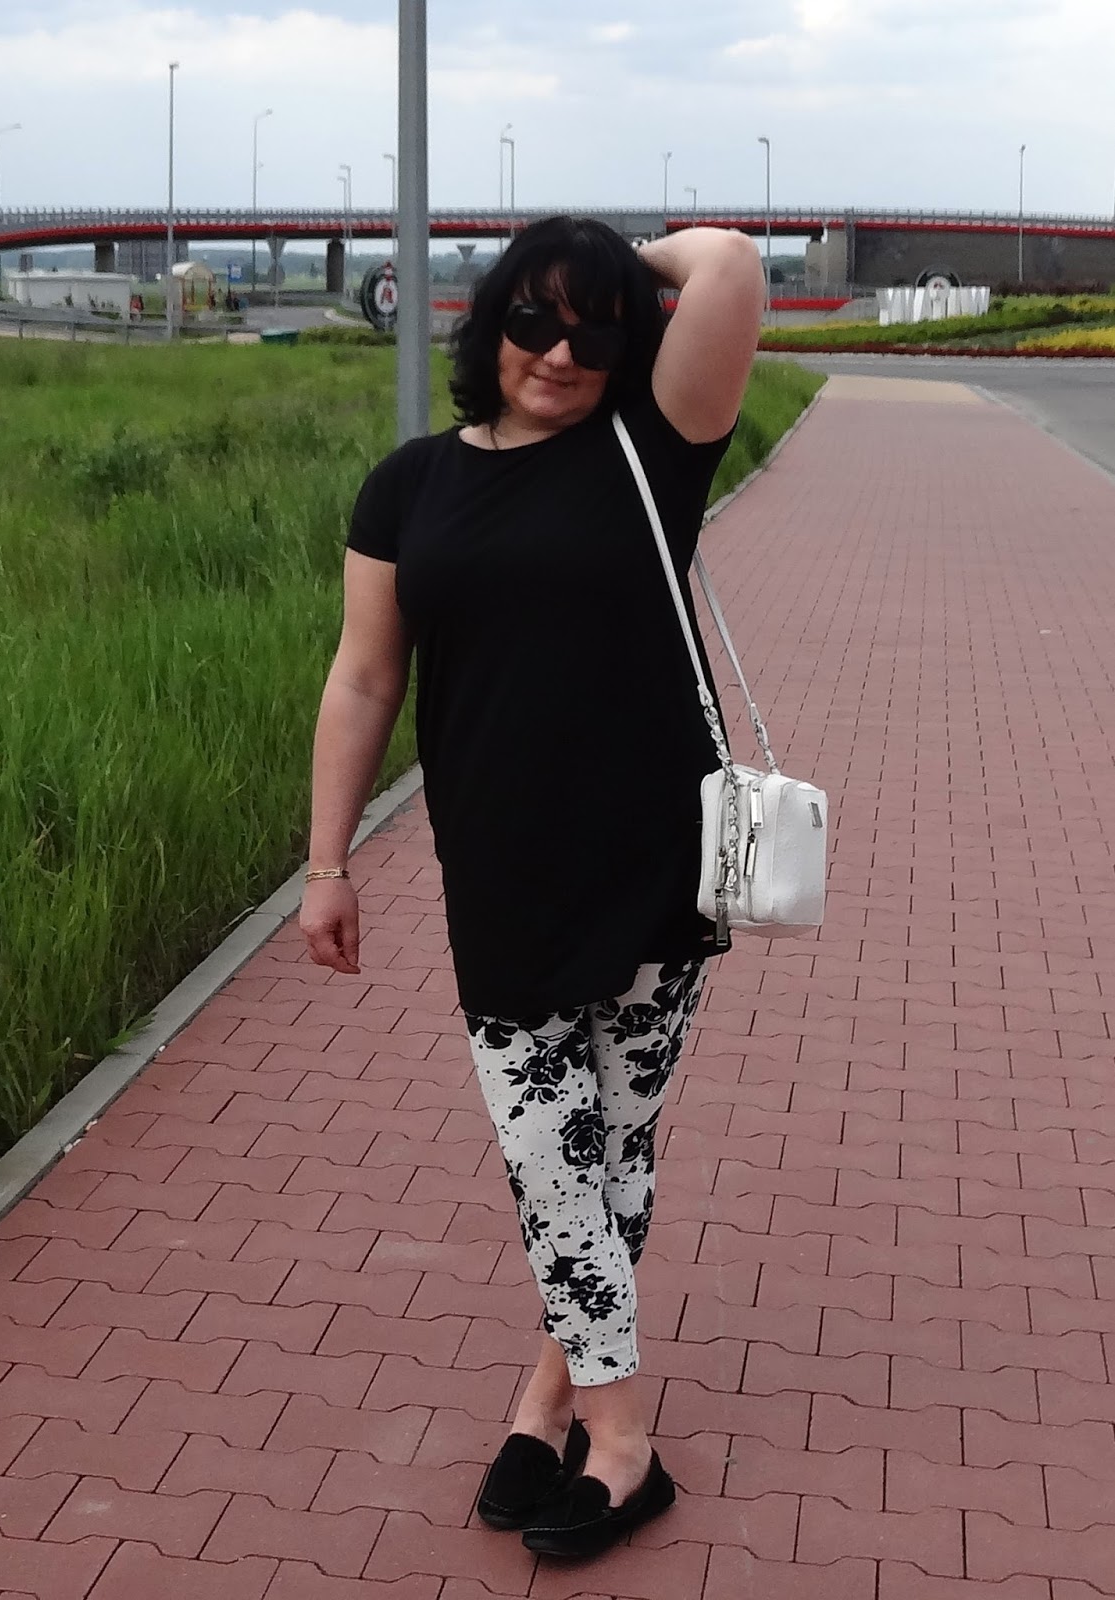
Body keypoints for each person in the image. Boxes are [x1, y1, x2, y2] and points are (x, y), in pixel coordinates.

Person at [301, 215, 765, 1558]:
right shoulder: (409, 486)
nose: (560, 352)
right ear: (486, 320)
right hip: (500, 874)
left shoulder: (653, 446)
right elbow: (364, 678)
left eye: (594, 328)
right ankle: (620, 1443)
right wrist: (327, 862)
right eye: (532, 319)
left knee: (609, 1149)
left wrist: (601, 253)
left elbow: (729, 266)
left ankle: (558, 1405)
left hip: (654, 866)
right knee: (546, 1153)